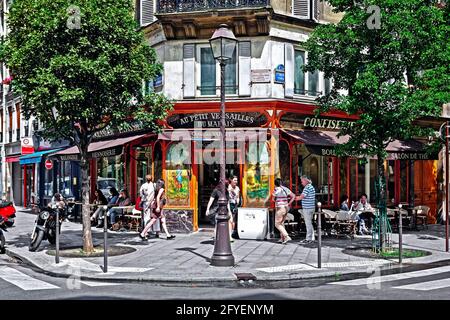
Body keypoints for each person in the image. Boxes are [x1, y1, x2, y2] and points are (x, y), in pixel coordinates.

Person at [272, 178, 295, 244]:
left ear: (275, 184)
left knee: (277, 224)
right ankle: (282, 238)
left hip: (280, 208)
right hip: (286, 207)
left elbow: (273, 199)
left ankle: (286, 236)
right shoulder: (285, 189)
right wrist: (289, 203)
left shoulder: (276, 189)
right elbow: (293, 196)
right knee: (281, 223)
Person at [297, 175, 316, 244]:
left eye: (302, 181)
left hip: (307, 208)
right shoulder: (311, 187)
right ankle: (312, 238)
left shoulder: (307, 187)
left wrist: (294, 198)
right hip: (311, 207)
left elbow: (302, 196)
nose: (301, 183)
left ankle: (308, 238)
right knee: (310, 223)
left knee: (308, 224)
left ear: (305, 181)